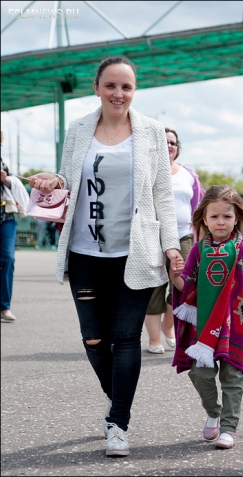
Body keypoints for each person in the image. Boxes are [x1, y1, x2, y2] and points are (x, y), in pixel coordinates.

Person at [28, 56, 182, 457]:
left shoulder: (149, 132)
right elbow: (65, 183)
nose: (119, 93)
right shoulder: (78, 130)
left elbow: (162, 196)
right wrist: (51, 181)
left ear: (135, 91)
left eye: (126, 87)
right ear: (96, 87)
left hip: (136, 251)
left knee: (127, 338)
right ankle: (118, 398)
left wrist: (170, 246)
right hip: (85, 252)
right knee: (95, 339)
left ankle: (118, 422)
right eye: (111, 85)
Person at [170, 185, 243, 450]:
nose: (220, 222)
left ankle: (229, 428)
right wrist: (175, 273)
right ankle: (214, 412)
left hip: (239, 325)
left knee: (233, 378)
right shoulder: (199, 250)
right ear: (203, 219)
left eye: (227, 216)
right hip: (204, 327)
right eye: (214, 217)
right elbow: (186, 286)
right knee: (200, 373)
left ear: (236, 219)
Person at [143, 128, 204, 354]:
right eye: (164, 142)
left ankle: (168, 326)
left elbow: (199, 206)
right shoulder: (147, 172)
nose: (169, 146)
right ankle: (154, 339)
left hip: (183, 235)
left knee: (184, 283)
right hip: (153, 236)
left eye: (173, 143)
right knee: (155, 286)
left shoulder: (188, 174)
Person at [1, 133, 29, 323]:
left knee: (8, 258)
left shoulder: (2, 162)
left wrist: (7, 180)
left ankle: (4, 307)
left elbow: (11, 185)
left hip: (5, 216)